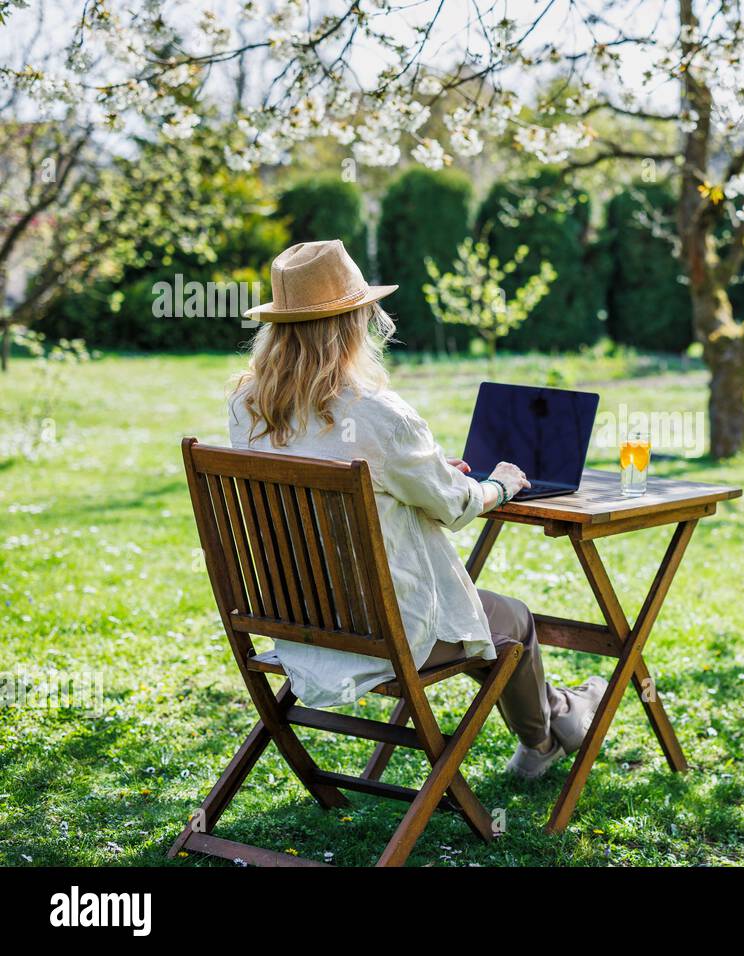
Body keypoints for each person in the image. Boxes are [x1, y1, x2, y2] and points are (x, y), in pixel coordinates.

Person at [229, 238, 605, 779]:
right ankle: (547, 736)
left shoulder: (246, 407)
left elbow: (346, 468)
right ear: (353, 323)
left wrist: (422, 475)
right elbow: (455, 508)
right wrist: (498, 482)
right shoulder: (377, 413)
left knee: (485, 619)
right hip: (385, 633)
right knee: (512, 621)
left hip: (298, 624)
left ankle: (562, 716)